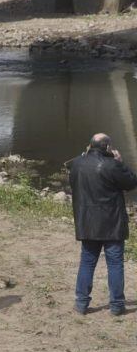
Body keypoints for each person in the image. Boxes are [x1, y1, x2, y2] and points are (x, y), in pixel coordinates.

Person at [68, 133, 137, 316]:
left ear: (90, 146)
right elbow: (131, 183)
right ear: (107, 147)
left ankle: (81, 304)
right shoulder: (112, 165)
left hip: (87, 222)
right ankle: (116, 306)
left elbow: (73, 184)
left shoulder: (76, 164)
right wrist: (120, 161)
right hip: (112, 223)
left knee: (87, 262)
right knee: (115, 264)